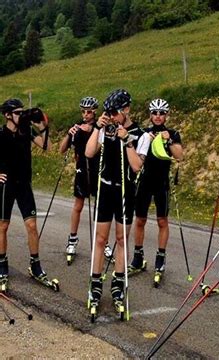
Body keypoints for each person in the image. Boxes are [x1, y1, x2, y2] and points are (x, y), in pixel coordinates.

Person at [85, 89, 142, 313]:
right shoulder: (105, 128)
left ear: (126, 110)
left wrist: (127, 141)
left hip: (126, 191)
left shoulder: (140, 133)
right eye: (107, 112)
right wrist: (99, 127)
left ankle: (118, 283)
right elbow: (90, 153)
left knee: (121, 239)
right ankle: (96, 282)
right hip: (106, 189)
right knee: (100, 239)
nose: (111, 116)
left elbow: (137, 166)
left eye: (114, 112)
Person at [0, 98, 57, 291]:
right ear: (8, 115)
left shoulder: (26, 131)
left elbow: (48, 147)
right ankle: (2, 265)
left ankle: (35, 265)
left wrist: (42, 126)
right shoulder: (1, 134)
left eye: (23, 112)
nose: (21, 115)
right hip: (6, 185)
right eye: (17, 113)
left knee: (32, 225)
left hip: (24, 184)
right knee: (3, 226)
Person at [128, 98, 183, 284]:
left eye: (161, 113)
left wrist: (169, 141)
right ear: (150, 115)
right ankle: (137, 257)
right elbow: (134, 157)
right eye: (154, 113)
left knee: (162, 220)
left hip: (161, 183)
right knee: (140, 219)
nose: (158, 116)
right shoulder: (144, 133)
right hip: (144, 181)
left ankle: (160, 259)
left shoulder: (173, 133)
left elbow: (179, 156)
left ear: (166, 115)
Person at [59, 97, 103, 264]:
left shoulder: (100, 128)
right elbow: (62, 150)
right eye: (83, 111)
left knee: (99, 208)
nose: (86, 114)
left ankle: (102, 241)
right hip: (81, 171)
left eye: (89, 111)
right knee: (78, 205)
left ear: (95, 112)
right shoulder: (76, 128)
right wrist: (68, 134)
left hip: (97, 171)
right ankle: (72, 238)